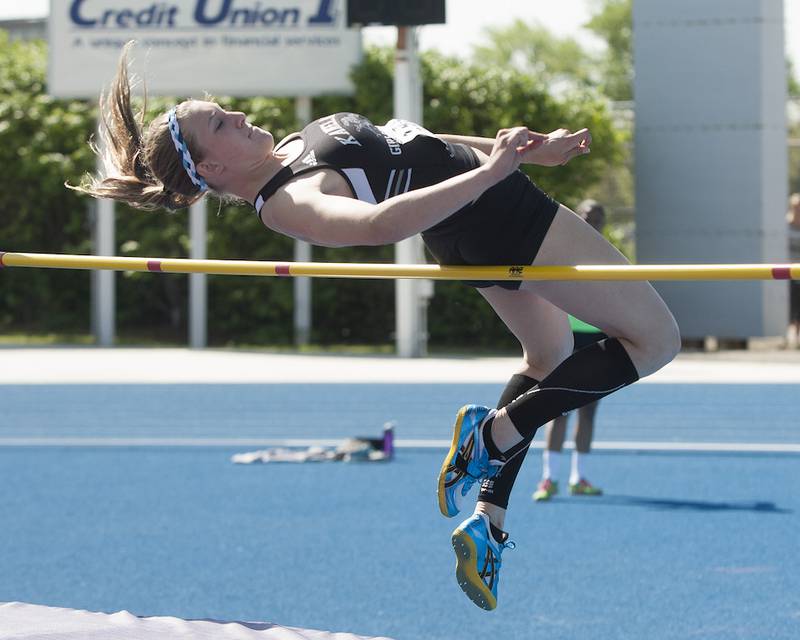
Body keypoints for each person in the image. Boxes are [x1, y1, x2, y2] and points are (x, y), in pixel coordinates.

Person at [71, 43, 681, 612]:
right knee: (657, 341)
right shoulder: (289, 199)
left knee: (548, 352)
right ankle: (491, 438)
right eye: (222, 123)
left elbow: (415, 141)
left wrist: (522, 152)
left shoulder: (289, 147)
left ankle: (489, 519)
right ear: (212, 165)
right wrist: (492, 174)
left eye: (225, 108)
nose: (237, 113)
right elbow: (379, 225)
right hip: (498, 214)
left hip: (472, 219)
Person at [532, 199, 608, 502]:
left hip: (597, 337)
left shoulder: (609, 255)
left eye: (598, 214)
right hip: (566, 337)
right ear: (578, 216)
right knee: (557, 410)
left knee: (588, 411)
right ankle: (549, 478)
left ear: (604, 221)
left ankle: (579, 477)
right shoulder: (563, 248)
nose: (592, 218)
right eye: (587, 214)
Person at [787, 193, 800, 348]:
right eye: (797, 207)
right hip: (788, 270)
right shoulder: (786, 225)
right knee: (793, 305)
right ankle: (793, 337)